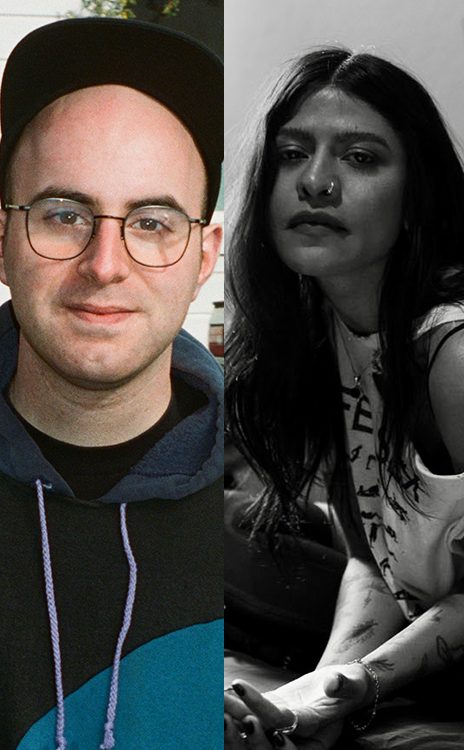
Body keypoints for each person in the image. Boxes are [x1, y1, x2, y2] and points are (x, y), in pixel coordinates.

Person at [0, 18, 225, 750]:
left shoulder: (263, 504)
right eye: (64, 215)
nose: (105, 264)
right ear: (0, 242)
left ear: (203, 255)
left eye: (152, 222)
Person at [223, 47, 464, 749]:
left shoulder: (450, 355)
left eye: (360, 158)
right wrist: (315, 695)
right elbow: (373, 558)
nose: (317, 182)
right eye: (293, 154)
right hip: (416, 603)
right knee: (211, 527)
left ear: (416, 199)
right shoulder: (322, 330)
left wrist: (362, 685)